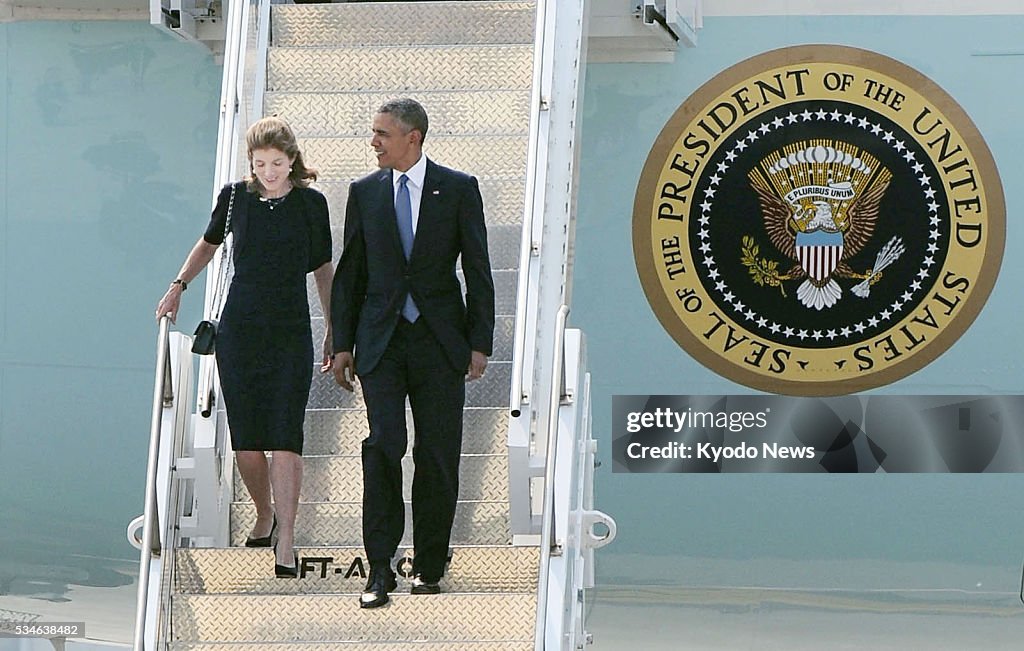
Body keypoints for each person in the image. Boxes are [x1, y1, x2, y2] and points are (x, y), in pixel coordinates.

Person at [330, 98, 495, 608]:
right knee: (384, 446)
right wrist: (341, 344)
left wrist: (479, 342)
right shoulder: (364, 192)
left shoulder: (459, 188)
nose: (373, 141)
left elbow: (479, 269)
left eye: (382, 133)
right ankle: (379, 569)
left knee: (438, 454)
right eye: (373, 133)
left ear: (413, 138)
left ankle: (428, 563)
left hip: (439, 342)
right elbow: (351, 272)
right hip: (380, 340)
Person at [155, 116, 334, 578]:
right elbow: (208, 245)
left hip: (291, 330)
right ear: (250, 164)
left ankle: (288, 539)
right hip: (241, 330)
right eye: (260, 164)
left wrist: (336, 327)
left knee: (285, 436)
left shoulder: (312, 205)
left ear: (292, 160)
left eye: (277, 163)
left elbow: (323, 271)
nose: (268, 172)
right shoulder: (235, 198)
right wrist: (178, 285)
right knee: (247, 442)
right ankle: (263, 513)